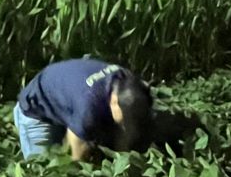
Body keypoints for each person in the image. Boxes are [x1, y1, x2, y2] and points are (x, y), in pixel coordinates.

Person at [13, 57, 153, 160]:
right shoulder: (89, 106)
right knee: (42, 171)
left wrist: (124, 156)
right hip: (37, 109)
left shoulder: (132, 84)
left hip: (67, 96)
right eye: (125, 118)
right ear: (114, 101)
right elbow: (77, 154)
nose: (128, 123)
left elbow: (127, 133)